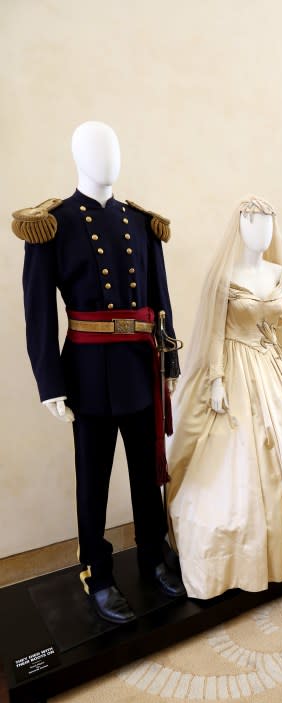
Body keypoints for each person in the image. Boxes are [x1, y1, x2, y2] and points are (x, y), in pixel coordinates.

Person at [13, 121, 185, 625]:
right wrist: (51, 384)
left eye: (112, 148)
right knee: (92, 478)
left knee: (144, 472)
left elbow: (160, 300)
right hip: (87, 373)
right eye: (96, 150)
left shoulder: (140, 222)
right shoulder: (53, 224)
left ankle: (153, 553)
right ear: (77, 157)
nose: (107, 158)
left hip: (139, 366)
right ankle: (96, 569)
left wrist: (169, 360)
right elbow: (39, 312)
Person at [166, 196, 282, 600]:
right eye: (254, 223)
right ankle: (236, 557)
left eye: (268, 224)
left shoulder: (280, 273)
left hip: (271, 367)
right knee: (237, 459)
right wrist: (215, 380)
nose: (262, 232)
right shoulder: (224, 276)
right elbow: (213, 333)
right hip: (232, 367)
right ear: (241, 226)